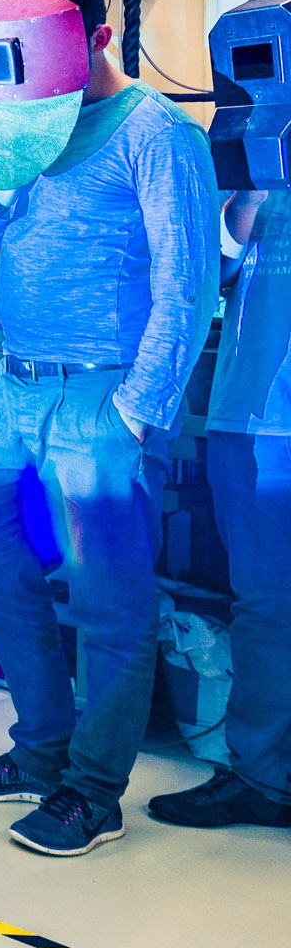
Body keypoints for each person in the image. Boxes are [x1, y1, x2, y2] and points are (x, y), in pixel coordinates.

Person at [0, 0, 217, 855]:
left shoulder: (157, 134)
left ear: (91, 40)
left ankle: (94, 790)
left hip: (102, 395)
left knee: (109, 602)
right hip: (10, 387)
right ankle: (41, 750)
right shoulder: (25, 129)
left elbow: (189, 283)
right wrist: (3, 167)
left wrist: (140, 413)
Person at [146, 188, 291, 833]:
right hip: (254, 420)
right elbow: (211, 270)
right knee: (265, 606)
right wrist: (254, 186)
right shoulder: (255, 147)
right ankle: (262, 778)